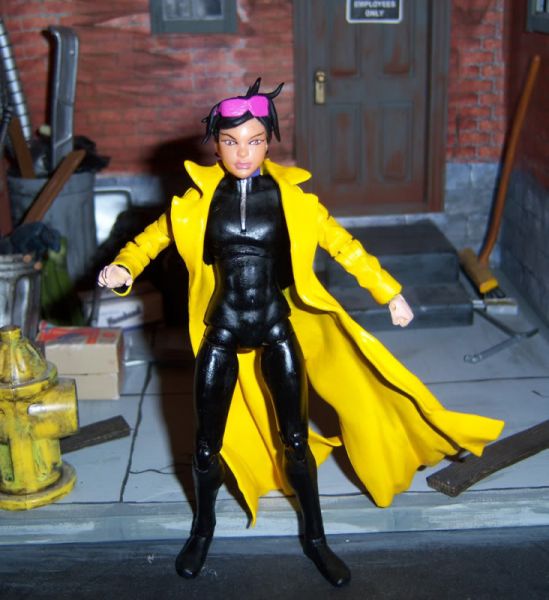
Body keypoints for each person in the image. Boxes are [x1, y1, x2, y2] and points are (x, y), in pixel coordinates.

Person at [98, 79, 504, 587]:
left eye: (254, 141)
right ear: (216, 145)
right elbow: (150, 240)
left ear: (268, 143)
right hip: (221, 329)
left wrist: (389, 291)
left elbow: (344, 245)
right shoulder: (195, 204)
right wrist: (123, 268)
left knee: (295, 441)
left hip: (275, 327)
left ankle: (315, 537)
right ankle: (203, 528)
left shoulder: (294, 202)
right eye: (230, 141)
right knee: (205, 445)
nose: (242, 153)